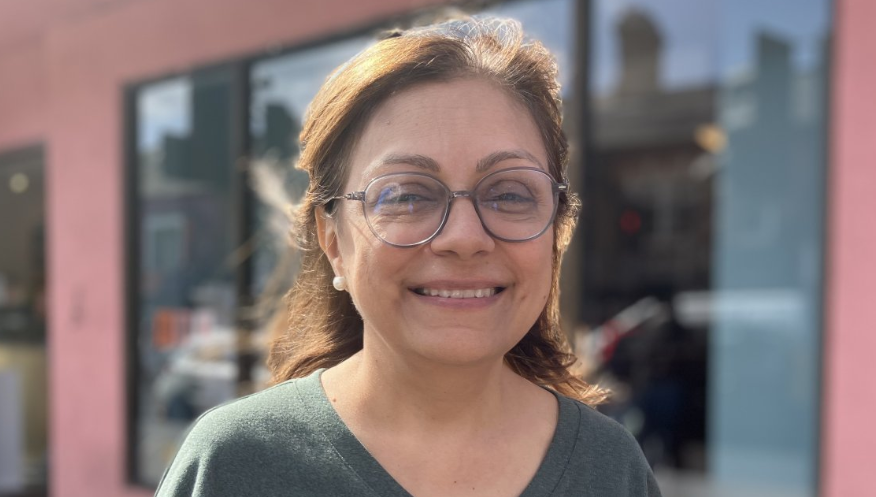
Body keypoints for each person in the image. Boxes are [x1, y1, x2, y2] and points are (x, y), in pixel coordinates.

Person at [155, 16, 661, 497]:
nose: (464, 238)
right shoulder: (237, 465)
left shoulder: (610, 467)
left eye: (509, 193)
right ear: (333, 241)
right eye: (406, 195)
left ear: (558, 231)